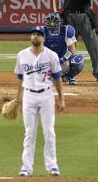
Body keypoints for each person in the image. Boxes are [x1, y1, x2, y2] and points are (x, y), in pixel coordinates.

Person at [15, 26, 65, 177]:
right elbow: (20, 78)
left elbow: (57, 78)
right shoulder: (22, 55)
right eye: (33, 34)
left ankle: (52, 165)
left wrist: (61, 99)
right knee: (29, 133)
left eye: (38, 35)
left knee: (49, 131)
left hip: (46, 96)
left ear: (44, 38)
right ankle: (26, 167)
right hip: (29, 97)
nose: (35, 37)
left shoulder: (52, 55)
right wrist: (18, 99)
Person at [53, 0, 98, 82]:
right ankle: (64, 72)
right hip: (69, 16)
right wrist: (56, 12)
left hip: (85, 16)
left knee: (93, 46)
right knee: (66, 47)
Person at [43, 12, 85, 85]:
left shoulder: (66, 31)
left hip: (63, 61)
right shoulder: (42, 32)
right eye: (50, 22)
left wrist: (62, 59)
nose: (52, 25)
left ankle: (68, 76)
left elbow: (72, 50)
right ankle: (46, 77)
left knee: (79, 60)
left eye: (54, 22)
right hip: (48, 63)